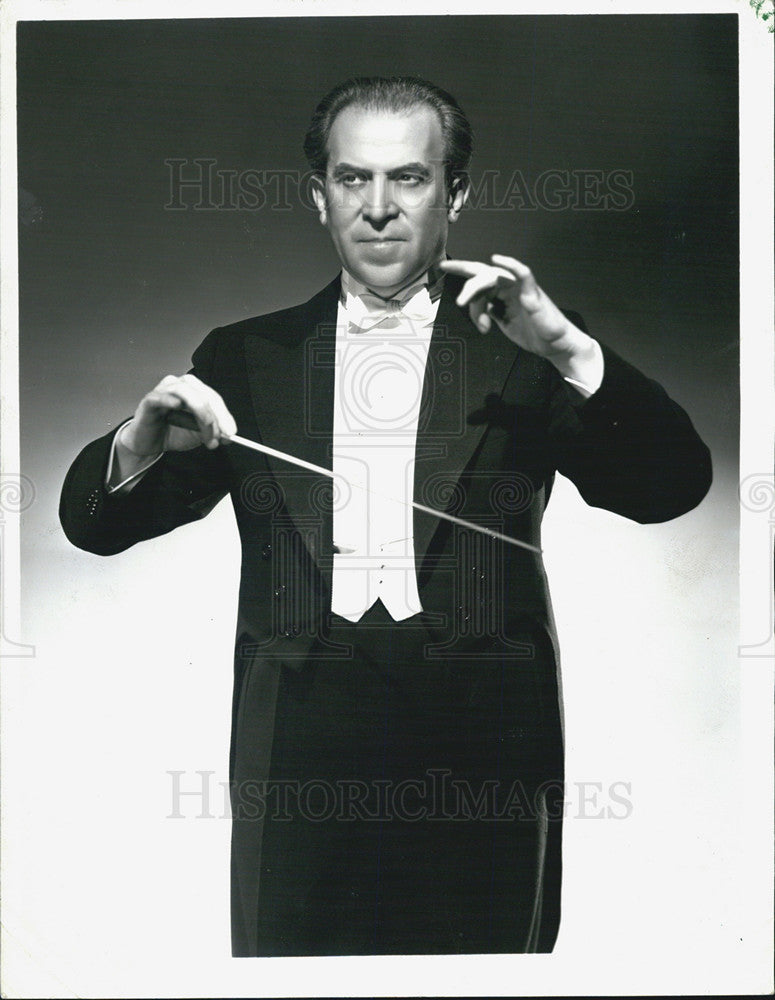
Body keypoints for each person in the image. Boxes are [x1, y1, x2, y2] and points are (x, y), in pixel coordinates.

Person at [60, 76, 712, 957]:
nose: (377, 208)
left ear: (456, 194)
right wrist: (138, 442)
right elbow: (95, 526)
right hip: (297, 744)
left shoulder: (521, 352)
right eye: (351, 179)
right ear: (317, 197)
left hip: (481, 746)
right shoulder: (246, 355)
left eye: (407, 178)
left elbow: (669, 485)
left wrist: (564, 346)